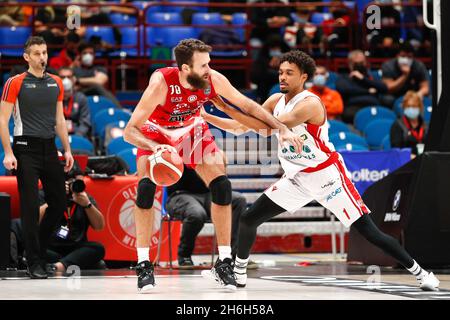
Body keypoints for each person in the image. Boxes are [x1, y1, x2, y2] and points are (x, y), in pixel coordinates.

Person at [203, 50, 440, 291]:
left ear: (303, 77)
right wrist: (205, 115)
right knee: (248, 218)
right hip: (297, 178)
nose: (282, 77)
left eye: (289, 73)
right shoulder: (274, 101)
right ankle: (239, 273)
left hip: (327, 177)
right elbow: (241, 127)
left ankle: (421, 273)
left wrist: (225, 105)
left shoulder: (310, 104)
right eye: (280, 73)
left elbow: (266, 128)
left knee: (369, 232)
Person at [123, 38, 302, 292]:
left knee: (221, 184)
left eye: (210, 64)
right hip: (156, 132)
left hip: (190, 130)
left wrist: (281, 128)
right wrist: (155, 147)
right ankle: (143, 264)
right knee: (145, 188)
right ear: (185, 69)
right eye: (203, 65)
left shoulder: (213, 80)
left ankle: (224, 262)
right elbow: (130, 131)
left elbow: (248, 105)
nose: (209, 69)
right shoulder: (161, 83)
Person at [0, 36, 74, 279]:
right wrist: (9, 152)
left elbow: (60, 119)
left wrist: (68, 149)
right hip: (24, 148)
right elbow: (3, 119)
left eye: (44, 52)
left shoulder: (56, 83)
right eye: (37, 53)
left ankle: (37, 251)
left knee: (59, 204)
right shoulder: (15, 82)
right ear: (26, 57)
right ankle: (34, 261)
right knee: (31, 207)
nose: (42, 57)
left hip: (49, 148)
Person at [10, 166, 105, 273]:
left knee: (98, 248)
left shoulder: (83, 197)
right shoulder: (43, 194)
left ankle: (58, 266)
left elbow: (99, 226)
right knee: (32, 252)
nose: (70, 186)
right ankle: (67, 263)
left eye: (74, 181)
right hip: (50, 247)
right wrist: (54, 199)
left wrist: (87, 205)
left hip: (76, 248)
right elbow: (33, 221)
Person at [165, 164, 247, 268]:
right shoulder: (174, 150)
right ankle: (184, 255)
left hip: (208, 193)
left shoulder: (207, 151)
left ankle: (236, 256)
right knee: (196, 213)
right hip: (180, 194)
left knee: (238, 200)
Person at [336, 50, 388, 123]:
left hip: (373, 105)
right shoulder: (344, 77)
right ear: (350, 64)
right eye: (357, 63)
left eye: (362, 63)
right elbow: (345, 90)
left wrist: (363, 79)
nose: (360, 65)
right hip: (354, 107)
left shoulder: (371, 77)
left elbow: (384, 88)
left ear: (365, 62)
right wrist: (368, 91)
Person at [73, 42, 122, 109]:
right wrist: (93, 80)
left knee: (97, 87)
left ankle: (119, 110)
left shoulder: (99, 68)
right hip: (79, 95)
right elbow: (72, 85)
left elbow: (99, 82)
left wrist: (78, 81)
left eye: (91, 53)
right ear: (79, 55)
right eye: (85, 53)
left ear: (94, 55)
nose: (88, 55)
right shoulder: (74, 70)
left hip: (98, 95)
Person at [58, 67, 92, 139]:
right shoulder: (52, 98)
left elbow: (85, 122)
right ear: (57, 79)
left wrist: (77, 136)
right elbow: (49, 123)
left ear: (73, 79)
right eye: (63, 77)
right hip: (58, 136)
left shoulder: (81, 98)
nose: (66, 80)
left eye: (69, 77)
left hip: (77, 135)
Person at [390, 90, 427, 156]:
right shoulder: (397, 125)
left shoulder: (426, 126)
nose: (411, 109)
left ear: (420, 107)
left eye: (414, 106)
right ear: (404, 107)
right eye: (408, 106)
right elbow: (396, 151)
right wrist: (409, 156)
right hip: (406, 162)